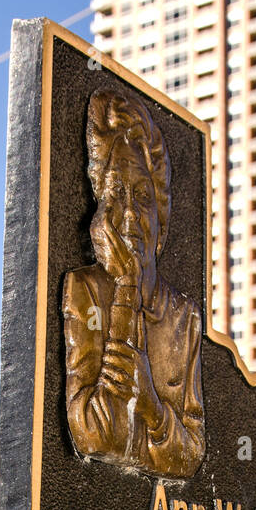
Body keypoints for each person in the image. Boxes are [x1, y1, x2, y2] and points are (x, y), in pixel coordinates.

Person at [63, 88, 206, 479]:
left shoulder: (184, 318)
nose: (129, 213)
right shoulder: (84, 291)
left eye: (143, 196)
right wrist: (126, 287)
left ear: (161, 215)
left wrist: (152, 408)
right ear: (101, 213)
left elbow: (190, 456)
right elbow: (91, 434)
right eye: (116, 195)